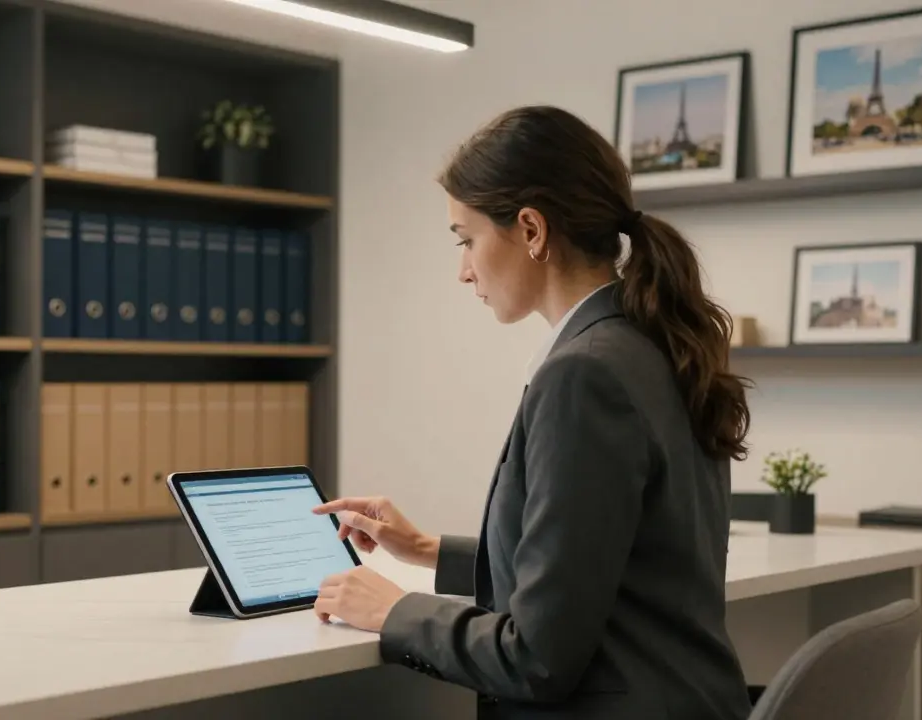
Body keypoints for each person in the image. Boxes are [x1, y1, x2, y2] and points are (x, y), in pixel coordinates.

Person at [311, 104, 755, 719]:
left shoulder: (584, 374)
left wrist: (394, 611)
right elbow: (601, 563)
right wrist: (426, 548)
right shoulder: (650, 343)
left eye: (466, 240)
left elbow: (537, 657)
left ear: (531, 230)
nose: (463, 271)